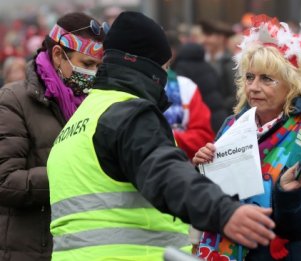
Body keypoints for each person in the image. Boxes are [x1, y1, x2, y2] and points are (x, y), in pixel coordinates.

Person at [46, 11, 275, 260]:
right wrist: (223, 211)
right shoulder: (128, 113)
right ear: (151, 68)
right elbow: (164, 172)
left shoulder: (78, 122)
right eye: (165, 67)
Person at [193, 14, 301, 261]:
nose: (254, 87)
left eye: (266, 79)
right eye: (250, 77)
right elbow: (208, 195)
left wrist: (289, 195)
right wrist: (202, 168)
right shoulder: (232, 125)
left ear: (291, 85)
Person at [0, 12, 106, 261]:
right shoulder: (13, 100)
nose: (93, 73)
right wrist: (75, 175)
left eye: (99, 67)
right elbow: (4, 180)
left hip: (79, 246)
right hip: (28, 248)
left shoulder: (95, 102)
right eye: (87, 64)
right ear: (59, 55)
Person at [164, 32, 215, 159]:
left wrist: (167, 136)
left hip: (181, 167)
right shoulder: (130, 88)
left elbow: (203, 137)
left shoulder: (185, 86)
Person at [171, 42, 228, 132]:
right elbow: (221, 89)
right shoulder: (209, 67)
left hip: (201, 116)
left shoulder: (180, 68)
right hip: (219, 115)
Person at [200, 20, 236, 114]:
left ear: (221, 38)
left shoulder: (229, 63)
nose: (204, 40)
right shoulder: (202, 60)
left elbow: (235, 95)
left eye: (209, 35)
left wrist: (218, 105)